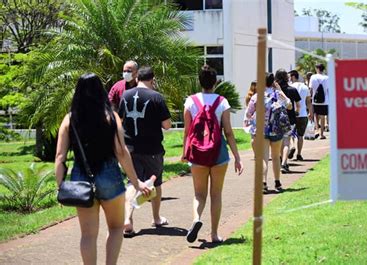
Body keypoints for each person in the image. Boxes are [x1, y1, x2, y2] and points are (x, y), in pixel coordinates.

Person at [55, 73, 151, 265]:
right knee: (116, 228)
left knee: (88, 235)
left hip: (80, 177)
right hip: (109, 176)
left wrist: (61, 187)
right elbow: (122, 153)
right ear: (101, 92)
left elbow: (60, 157)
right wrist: (136, 182)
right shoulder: (111, 117)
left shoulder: (70, 119)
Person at [182, 65, 243, 243]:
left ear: (199, 81)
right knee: (216, 195)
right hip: (219, 154)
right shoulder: (222, 102)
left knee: (199, 194)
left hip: (197, 154)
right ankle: (214, 234)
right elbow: (229, 132)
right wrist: (237, 157)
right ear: (215, 82)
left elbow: (187, 131)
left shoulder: (191, 101)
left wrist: (184, 152)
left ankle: (196, 220)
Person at [118, 66, 172, 236]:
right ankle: (156, 218)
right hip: (152, 149)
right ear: (152, 79)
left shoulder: (125, 96)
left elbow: (119, 120)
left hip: (130, 149)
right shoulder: (156, 97)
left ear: (136, 78)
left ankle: (127, 219)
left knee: (132, 183)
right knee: (155, 183)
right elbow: (167, 125)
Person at [246, 73, 292, 193]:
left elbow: (248, 113)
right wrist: (280, 90)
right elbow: (289, 105)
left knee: (264, 158)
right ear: (273, 82)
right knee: (276, 157)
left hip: (261, 130)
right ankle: (277, 183)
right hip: (277, 129)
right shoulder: (278, 95)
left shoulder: (256, 96)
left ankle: (263, 184)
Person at [275, 69, 301, 173]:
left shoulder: (275, 91)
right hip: (290, 118)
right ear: (287, 77)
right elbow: (298, 105)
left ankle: (282, 160)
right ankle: (284, 163)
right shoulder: (292, 89)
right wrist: (296, 113)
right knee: (287, 142)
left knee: (280, 141)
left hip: (276, 118)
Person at [289, 70, 311, 161]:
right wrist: (311, 112)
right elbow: (308, 102)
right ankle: (299, 154)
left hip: (292, 113)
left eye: (289, 76)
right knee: (300, 136)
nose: (288, 78)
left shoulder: (290, 87)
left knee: (290, 134)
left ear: (293, 77)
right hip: (303, 114)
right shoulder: (305, 87)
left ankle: (292, 146)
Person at [309, 63, 329, 140]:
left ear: (317, 68)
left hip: (315, 100)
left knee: (315, 115)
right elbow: (328, 90)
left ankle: (317, 130)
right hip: (325, 100)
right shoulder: (327, 78)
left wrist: (310, 98)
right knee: (323, 116)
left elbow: (310, 89)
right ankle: (321, 134)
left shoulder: (313, 77)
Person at [243, 81, 257, 155]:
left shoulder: (249, 96)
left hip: (249, 115)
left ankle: (255, 154)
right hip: (256, 115)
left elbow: (247, 106)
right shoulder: (260, 95)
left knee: (252, 135)